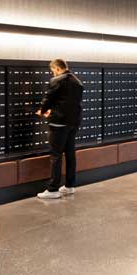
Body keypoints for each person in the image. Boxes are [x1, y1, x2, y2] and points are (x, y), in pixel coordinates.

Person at [36, 59, 83, 200]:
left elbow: (48, 99)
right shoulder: (77, 81)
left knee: (56, 156)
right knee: (70, 154)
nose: (53, 73)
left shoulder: (57, 80)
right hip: (73, 123)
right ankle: (69, 186)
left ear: (56, 68)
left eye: (53, 70)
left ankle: (53, 189)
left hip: (59, 124)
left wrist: (42, 110)